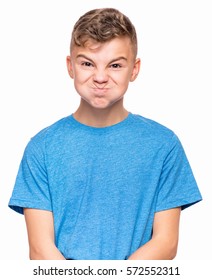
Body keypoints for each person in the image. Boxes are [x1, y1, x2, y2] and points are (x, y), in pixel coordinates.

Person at [8, 7, 202, 260]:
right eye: (87, 63)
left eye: (115, 65)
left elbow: (166, 242)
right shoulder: (42, 148)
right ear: (71, 66)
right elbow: (40, 249)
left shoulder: (163, 145)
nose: (100, 77)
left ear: (134, 69)